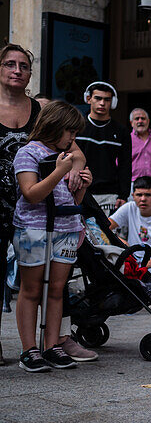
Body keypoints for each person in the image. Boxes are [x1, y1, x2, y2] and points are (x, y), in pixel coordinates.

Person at [12, 101, 90, 372]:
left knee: (57, 289)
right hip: (33, 228)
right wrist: (59, 171)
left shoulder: (66, 156)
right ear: (54, 126)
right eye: (70, 132)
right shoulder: (28, 153)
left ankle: (52, 345)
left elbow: (70, 199)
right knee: (32, 289)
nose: (73, 138)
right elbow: (31, 193)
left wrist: (81, 186)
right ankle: (28, 349)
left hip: (66, 228)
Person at [0, 44, 44, 365]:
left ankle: (39, 345)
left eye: (23, 66)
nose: (17, 70)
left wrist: (78, 169)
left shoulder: (41, 111)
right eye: (9, 64)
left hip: (33, 208)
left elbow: (70, 146)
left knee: (36, 279)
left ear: (30, 74)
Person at [108, 176, 151, 283]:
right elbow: (105, 227)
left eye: (148, 195)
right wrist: (119, 240)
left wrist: (140, 266)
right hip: (132, 262)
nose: (143, 199)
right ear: (133, 196)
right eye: (139, 195)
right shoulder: (129, 207)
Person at [76, 81, 129, 216]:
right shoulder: (77, 127)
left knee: (109, 236)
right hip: (80, 190)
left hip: (110, 195)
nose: (102, 103)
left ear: (113, 102)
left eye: (107, 99)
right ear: (88, 99)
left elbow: (125, 165)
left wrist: (123, 194)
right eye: (98, 98)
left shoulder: (121, 131)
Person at [129, 108, 151, 195]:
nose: (140, 121)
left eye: (143, 118)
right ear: (131, 122)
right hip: (133, 186)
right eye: (137, 119)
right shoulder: (126, 140)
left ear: (148, 121)